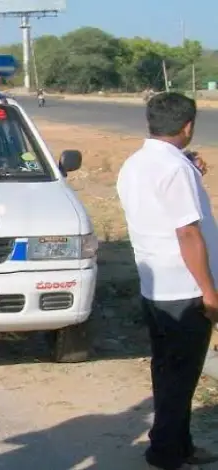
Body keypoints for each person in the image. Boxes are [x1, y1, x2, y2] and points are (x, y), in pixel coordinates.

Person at [116, 91, 218, 470]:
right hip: (185, 290)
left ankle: (179, 445)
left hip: (156, 287)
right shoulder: (174, 169)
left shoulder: (137, 163)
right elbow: (188, 234)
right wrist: (209, 292)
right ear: (187, 126)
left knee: (169, 373)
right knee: (179, 379)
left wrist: (189, 165)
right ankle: (166, 454)